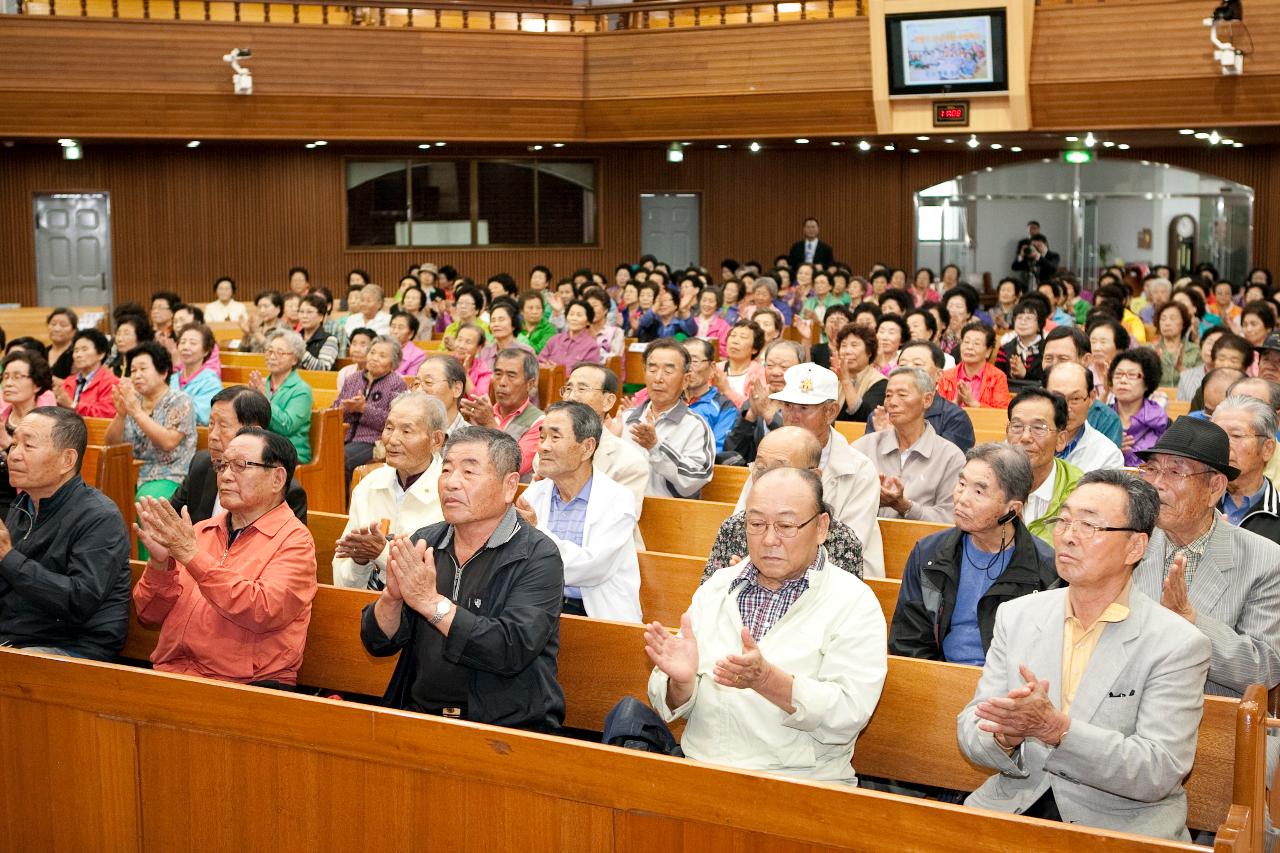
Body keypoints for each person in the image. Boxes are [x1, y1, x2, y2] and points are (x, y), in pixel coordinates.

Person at [959, 469, 1211, 841]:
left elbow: (1158, 770)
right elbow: (970, 726)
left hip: (1118, 825)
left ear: (1135, 547)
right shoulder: (1018, 616)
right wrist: (1003, 737)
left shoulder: (1177, 643)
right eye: (1064, 521)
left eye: (1090, 526)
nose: (1068, 536)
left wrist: (1057, 730)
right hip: (1016, 807)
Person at [645, 466, 885, 783]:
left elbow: (848, 714)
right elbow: (671, 705)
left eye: (786, 525)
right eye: (756, 524)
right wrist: (682, 683)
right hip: (703, 770)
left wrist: (767, 679)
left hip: (800, 782)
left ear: (821, 527)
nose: (769, 539)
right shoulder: (719, 587)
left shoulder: (854, 602)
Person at [360, 426, 566, 730]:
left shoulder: (538, 554)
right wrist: (391, 598)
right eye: (446, 470)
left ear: (510, 486)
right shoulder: (425, 542)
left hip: (505, 726)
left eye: (469, 472)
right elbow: (378, 644)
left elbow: (510, 648)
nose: (451, 483)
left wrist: (431, 603)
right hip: (420, 715)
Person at [133, 427, 316, 686]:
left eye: (240, 465)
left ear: (277, 478)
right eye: (223, 465)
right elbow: (147, 615)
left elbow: (262, 610)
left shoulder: (295, 542)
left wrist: (192, 556)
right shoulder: (201, 531)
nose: (226, 476)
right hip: (173, 673)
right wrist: (159, 564)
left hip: (244, 686)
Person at [1132, 418, 1280, 698]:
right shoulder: (1128, 540)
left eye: (1175, 472)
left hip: (1211, 725)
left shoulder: (1265, 560)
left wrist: (1190, 620)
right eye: (1151, 470)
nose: (1157, 484)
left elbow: (1263, 668)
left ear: (1215, 488)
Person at [891, 443, 1058, 665]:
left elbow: (1043, 658)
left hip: (1007, 690)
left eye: (979, 491)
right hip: (938, 681)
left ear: (1012, 509)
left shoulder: (1046, 570)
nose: (962, 498)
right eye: (961, 484)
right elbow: (909, 643)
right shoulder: (928, 555)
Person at [0, 407, 131, 659]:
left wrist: (7, 556)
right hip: (20, 637)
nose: (13, 455)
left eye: (28, 446)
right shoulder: (23, 505)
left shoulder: (99, 517)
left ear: (67, 460)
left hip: (73, 647)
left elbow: (78, 601)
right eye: (13, 444)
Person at [739, 363, 885, 578]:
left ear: (831, 412)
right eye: (788, 405)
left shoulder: (859, 470)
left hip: (837, 579)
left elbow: (849, 546)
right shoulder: (768, 459)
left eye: (804, 408)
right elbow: (741, 523)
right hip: (768, 571)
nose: (793, 416)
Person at [516, 402, 641, 622]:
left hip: (596, 615)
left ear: (587, 447)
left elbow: (592, 568)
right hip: (538, 610)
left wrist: (536, 531)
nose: (543, 447)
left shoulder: (617, 499)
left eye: (555, 438)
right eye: (542, 437)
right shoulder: (533, 495)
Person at [703, 427, 864, 581]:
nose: (765, 478)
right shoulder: (734, 527)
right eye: (760, 468)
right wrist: (733, 583)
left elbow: (843, 604)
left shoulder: (841, 539)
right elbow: (706, 600)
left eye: (780, 470)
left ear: (813, 476)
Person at [333, 394, 446, 590]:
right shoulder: (369, 485)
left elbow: (442, 582)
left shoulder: (450, 492)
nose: (392, 440)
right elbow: (342, 582)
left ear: (436, 440)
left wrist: (382, 553)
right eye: (389, 428)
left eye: (406, 431)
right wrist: (359, 561)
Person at [171, 385, 307, 525]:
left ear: (253, 431)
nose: (212, 435)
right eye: (211, 424)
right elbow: (170, 518)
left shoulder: (283, 490)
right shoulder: (201, 463)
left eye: (223, 426)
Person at [852, 367, 965, 522]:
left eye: (902, 395)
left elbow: (949, 518)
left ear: (927, 400)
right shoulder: (863, 447)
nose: (892, 403)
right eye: (888, 395)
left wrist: (905, 506)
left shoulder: (950, 456)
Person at [105, 341, 197, 531]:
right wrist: (121, 414)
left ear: (163, 372)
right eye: (133, 370)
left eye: (143, 369)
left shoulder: (180, 401)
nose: (137, 375)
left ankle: (151, 560)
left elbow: (168, 442)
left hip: (171, 475)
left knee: (147, 501)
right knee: (103, 501)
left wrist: (136, 412)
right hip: (132, 474)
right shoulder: (134, 401)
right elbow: (112, 444)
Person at [551, 363, 649, 518]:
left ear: (608, 401)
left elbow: (620, 521)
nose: (571, 397)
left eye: (582, 389)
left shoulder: (629, 462)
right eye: (568, 389)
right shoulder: (549, 449)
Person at [621, 339, 715, 499]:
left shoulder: (695, 426)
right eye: (652, 369)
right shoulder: (625, 419)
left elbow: (695, 479)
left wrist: (655, 446)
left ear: (685, 380)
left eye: (668, 371)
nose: (658, 378)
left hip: (669, 517)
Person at [866, 341, 976, 452]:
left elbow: (947, 462)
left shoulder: (955, 418)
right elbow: (867, 459)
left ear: (939, 375)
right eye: (903, 365)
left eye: (917, 365)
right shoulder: (882, 415)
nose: (908, 371)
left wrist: (897, 440)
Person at [1007, 388, 1082, 545]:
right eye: (1017, 426)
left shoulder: (1079, 490)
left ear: (1061, 439)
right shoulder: (989, 479)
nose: (1025, 437)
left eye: (1038, 428)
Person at [460, 348, 543, 479]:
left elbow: (516, 465)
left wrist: (489, 423)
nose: (502, 383)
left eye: (511, 376)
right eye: (498, 374)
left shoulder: (540, 422)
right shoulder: (481, 412)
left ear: (530, 384)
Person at [336, 335, 406, 484]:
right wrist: (346, 408)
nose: (374, 358)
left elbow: (393, 421)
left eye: (382, 356)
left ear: (393, 363)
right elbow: (334, 410)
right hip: (344, 435)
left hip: (373, 441)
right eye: (372, 352)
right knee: (326, 454)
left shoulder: (397, 384)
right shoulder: (353, 379)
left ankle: (342, 505)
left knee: (341, 458)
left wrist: (364, 409)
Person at [1040, 327, 1125, 447]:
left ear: (1086, 360)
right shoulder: (1029, 407)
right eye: (1048, 358)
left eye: (1063, 359)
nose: (1054, 366)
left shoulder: (1106, 420)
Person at [1214, 395, 1280, 543]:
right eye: (1217, 435)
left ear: (1267, 449)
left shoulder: (1276, 511)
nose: (1223, 445)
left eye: (1236, 435)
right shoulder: (1195, 502)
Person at [723, 340, 801, 464]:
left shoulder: (809, 406)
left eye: (784, 367)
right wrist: (750, 417)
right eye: (769, 366)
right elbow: (732, 452)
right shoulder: (756, 400)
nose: (775, 373)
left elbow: (800, 450)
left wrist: (770, 417)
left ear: (801, 369)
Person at [1044, 363, 1124, 473]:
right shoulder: (1025, 438)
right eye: (1057, 398)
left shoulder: (1108, 455)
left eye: (1075, 398)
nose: (1066, 408)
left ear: (1091, 397)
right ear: (1042, 395)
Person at [249, 329, 314, 465]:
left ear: (295, 359)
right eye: (270, 351)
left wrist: (263, 398)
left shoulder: (302, 390)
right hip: (262, 446)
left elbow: (286, 426)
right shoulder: (262, 384)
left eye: (280, 353)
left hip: (290, 451)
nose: (272, 357)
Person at [1109, 348, 1168, 467]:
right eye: (1118, 374)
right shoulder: (1103, 417)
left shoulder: (1157, 421)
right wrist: (1112, 451)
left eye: (1131, 375)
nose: (1123, 380)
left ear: (1147, 383)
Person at [680, 337, 737, 453]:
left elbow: (715, 451)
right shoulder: (667, 400)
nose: (688, 368)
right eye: (684, 362)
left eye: (694, 361)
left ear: (712, 368)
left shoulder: (725, 407)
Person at [938, 322, 1010, 410]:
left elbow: (1002, 413)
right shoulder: (946, 376)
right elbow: (937, 412)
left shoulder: (998, 377)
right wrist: (955, 403)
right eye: (966, 342)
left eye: (976, 343)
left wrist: (972, 403)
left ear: (988, 351)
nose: (969, 347)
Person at [53, 328, 119, 419]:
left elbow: (107, 414)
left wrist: (73, 405)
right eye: (76, 351)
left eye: (84, 349)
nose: (78, 355)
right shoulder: (68, 381)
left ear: (101, 354)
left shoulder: (111, 383)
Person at [168, 323, 221, 426]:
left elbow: (202, 417)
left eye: (193, 343)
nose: (186, 347)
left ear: (206, 351)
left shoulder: (211, 382)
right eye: (182, 342)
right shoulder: (172, 379)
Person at [833, 324, 887, 423]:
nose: (847, 351)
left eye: (854, 345)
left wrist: (845, 381)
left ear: (869, 352)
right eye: (843, 345)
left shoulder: (880, 382)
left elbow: (866, 418)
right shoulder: (834, 380)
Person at [995, 298, 1047, 386]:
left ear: (1039, 325)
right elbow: (997, 377)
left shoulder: (1047, 348)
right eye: (1019, 318)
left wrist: (1025, 374)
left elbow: (1049, 378)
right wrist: (1012, 373)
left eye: (1028, 318)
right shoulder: (1005, 348)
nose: (1022, 322)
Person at [716, 319, 766, 409]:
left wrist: (727, 391)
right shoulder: (716, 369)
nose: (735, 341)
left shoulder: (759, 373)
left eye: (743, 337)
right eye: (733, 335)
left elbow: (755, 410)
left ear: (755, 349)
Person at [539, 299, 603, 368]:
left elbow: (588, 374)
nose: (574, 318)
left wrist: (558, 371)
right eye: (571, 314)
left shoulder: (592, 346)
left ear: (588, 321)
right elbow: (538, 362)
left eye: (579, 315)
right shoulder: (554, 340)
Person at [414, 354, 467, 436]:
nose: (418, 390)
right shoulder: (410, 432)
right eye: (416, 383)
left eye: (428, 382)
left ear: (456, 389)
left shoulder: (472, 441)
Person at [1150, 301, 1201, 386]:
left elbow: (1200, 384)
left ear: (1183, 323)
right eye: (1163, 319)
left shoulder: (1196, 351)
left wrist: (1181, 368)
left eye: (1172, 318)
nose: (1167, 323)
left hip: (1185, 398)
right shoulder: (1149, 350)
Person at [297, 293, 339, 371]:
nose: (304, 316)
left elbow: (323, 369)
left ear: (321, 317)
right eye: (301, 312)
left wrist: (300, 352)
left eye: (309, 312)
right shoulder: (295, 337)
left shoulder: (330, 340)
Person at [388, 312, 427, 379]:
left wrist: (386, 369)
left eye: (400, 328)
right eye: (393, 326)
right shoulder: (382, 347)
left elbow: (410, 382)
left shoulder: (418, 356)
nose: (395, 331)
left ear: (411, 334)